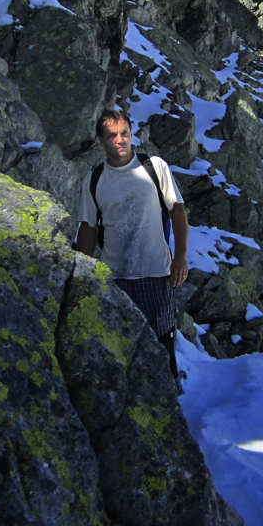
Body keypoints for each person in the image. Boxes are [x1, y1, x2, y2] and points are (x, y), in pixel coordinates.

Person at [75, 109, 189, 385]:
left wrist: (181, 256)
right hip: (116, 278)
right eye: (112, 135)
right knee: (121, 345)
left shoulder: (154, 166)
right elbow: (88, 228)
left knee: (162, 341)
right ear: (101, 141)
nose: (120, 140)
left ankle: (169, 397)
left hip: (156, 273)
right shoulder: (94, 179)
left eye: (124, 133)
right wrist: (80, 273)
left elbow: (177, 211)